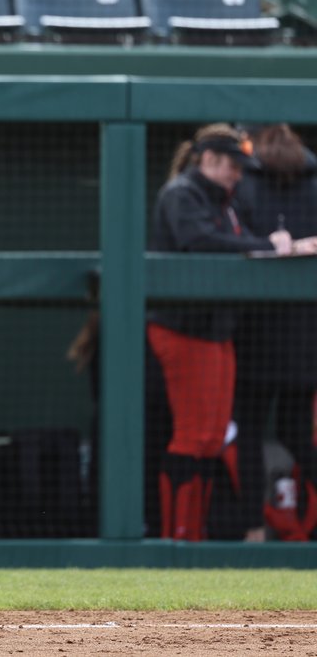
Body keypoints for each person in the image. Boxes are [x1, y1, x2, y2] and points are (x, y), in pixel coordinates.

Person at [147, 123, 294, 542]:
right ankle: (178, 540)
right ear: (209, 160)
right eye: (232, 165)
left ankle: (194, 539)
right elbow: (199, 241)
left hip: (215, 330)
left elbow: (237, 239)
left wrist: (269, 243)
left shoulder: (223, 201)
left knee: (212, 438)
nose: (238, 174)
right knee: (194, 436)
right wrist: (267, 246)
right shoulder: (182, 193)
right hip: (183, 329)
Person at [231, 123, 317, 541]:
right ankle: (252, 528)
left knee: (251, 431)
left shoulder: (246, 183)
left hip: (261, 333)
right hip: (293, 335)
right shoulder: (246, 182)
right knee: (293, 431)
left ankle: (252, 530)